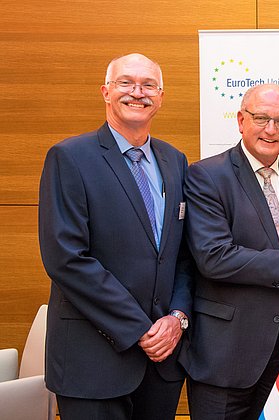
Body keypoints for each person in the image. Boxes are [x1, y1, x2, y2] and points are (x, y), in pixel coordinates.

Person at [38, 53, 192, 420]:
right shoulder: (70, 157)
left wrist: (177, 318)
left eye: (149, 85)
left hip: (162, 363)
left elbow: (184, 254)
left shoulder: (175, 161)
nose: (138, 92)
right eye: (126, 82)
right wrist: (141, 330)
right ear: (106, 92)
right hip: (92, 361)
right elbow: (66, 259)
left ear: (161, 97)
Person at [179, 83, 279, 420]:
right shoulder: (207, 176)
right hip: (226, 353)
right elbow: (215, 258)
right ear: (241, 120)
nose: (271, 129)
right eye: (261, 118)